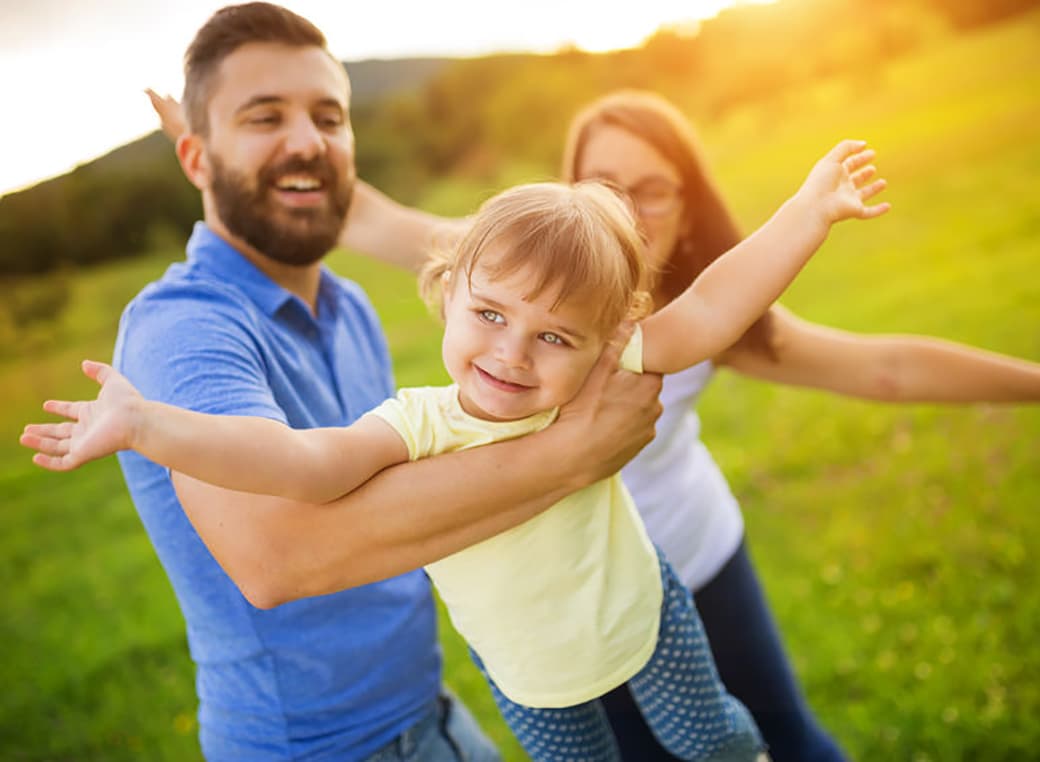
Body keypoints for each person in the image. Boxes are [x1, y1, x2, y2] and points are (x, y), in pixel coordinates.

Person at [24, 136, 889, 759]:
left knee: (717, 743)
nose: (513, 353)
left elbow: (709, 308)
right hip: (524, 668)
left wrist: (810, 212)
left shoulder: (597, 372)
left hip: (644, 612)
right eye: (491, 315)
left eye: (555, 336)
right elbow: (298, 464)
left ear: (603, 340)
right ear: (447, 294)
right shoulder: (418, 423)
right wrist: (147, 425)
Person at [27, 5, 669, 760]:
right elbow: (279, 557)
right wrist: (570, 456)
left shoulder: (349, 304)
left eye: (329, 117)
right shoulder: (183, 326)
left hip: (426, 708)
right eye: (264, 118)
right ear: (197, 160)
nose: (307, 140)